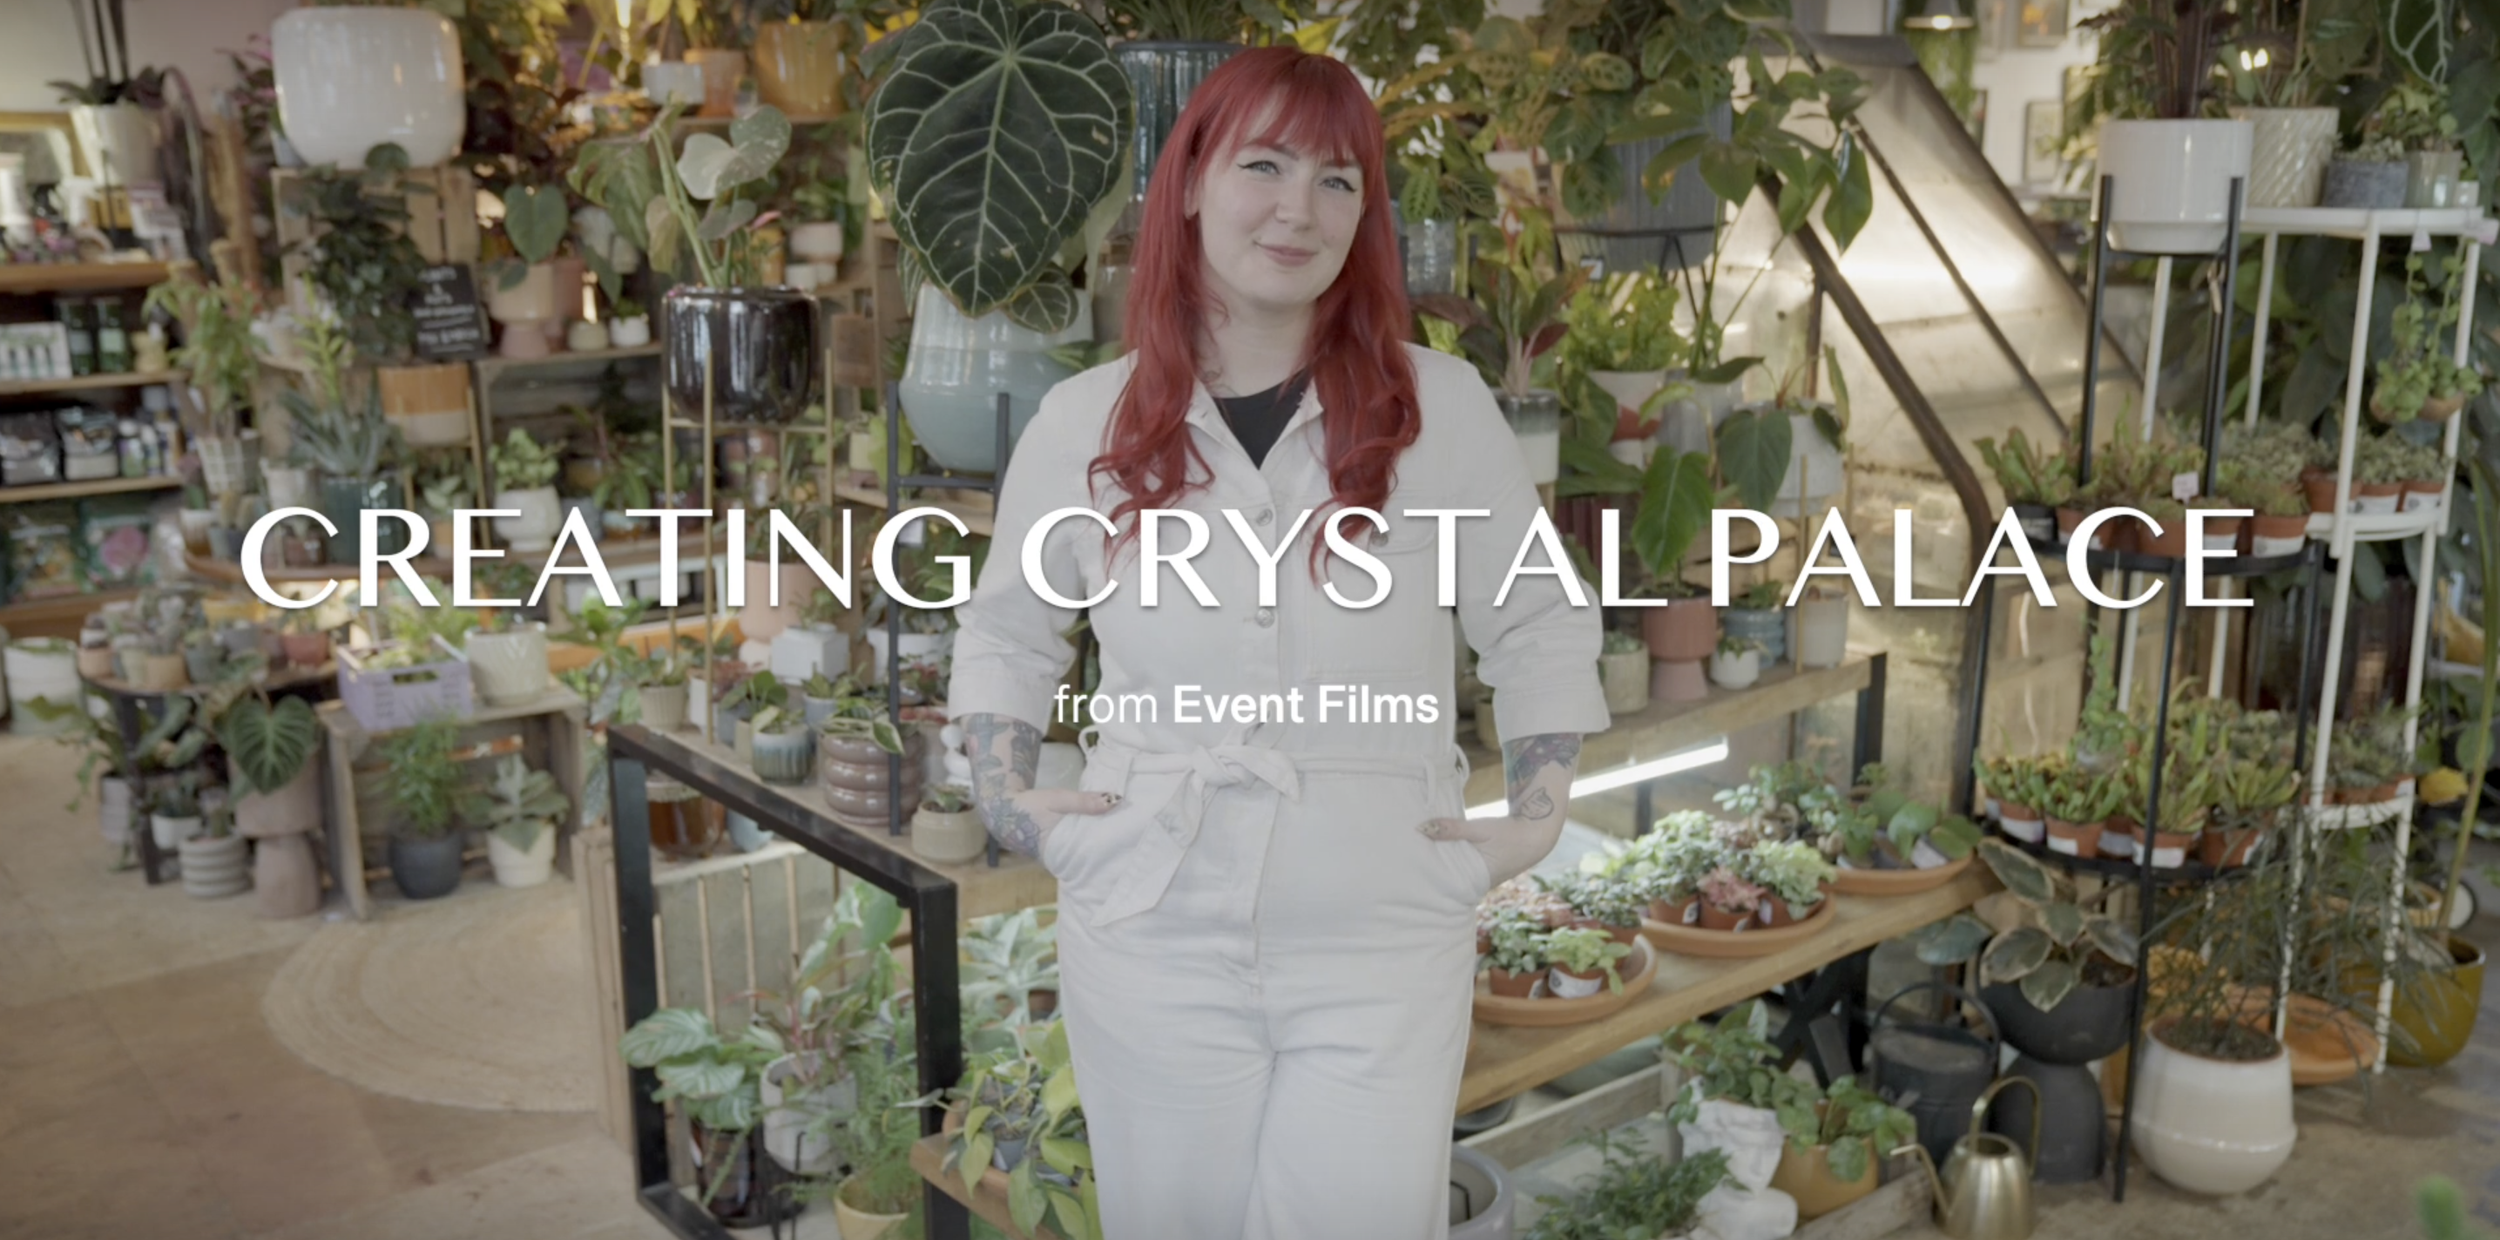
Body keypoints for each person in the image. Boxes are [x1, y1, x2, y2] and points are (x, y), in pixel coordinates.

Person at [945, 45, 1606, 1240]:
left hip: (1381, 929)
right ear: (1189, 183)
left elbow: (1537, 617)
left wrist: (1537, 812)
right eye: (1263, 164)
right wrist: (1010, 802)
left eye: (1339, 180)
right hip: (1150, 923)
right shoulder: (1080, 421)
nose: (1299, 208)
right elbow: (1007, 629)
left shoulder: (1437, 410)